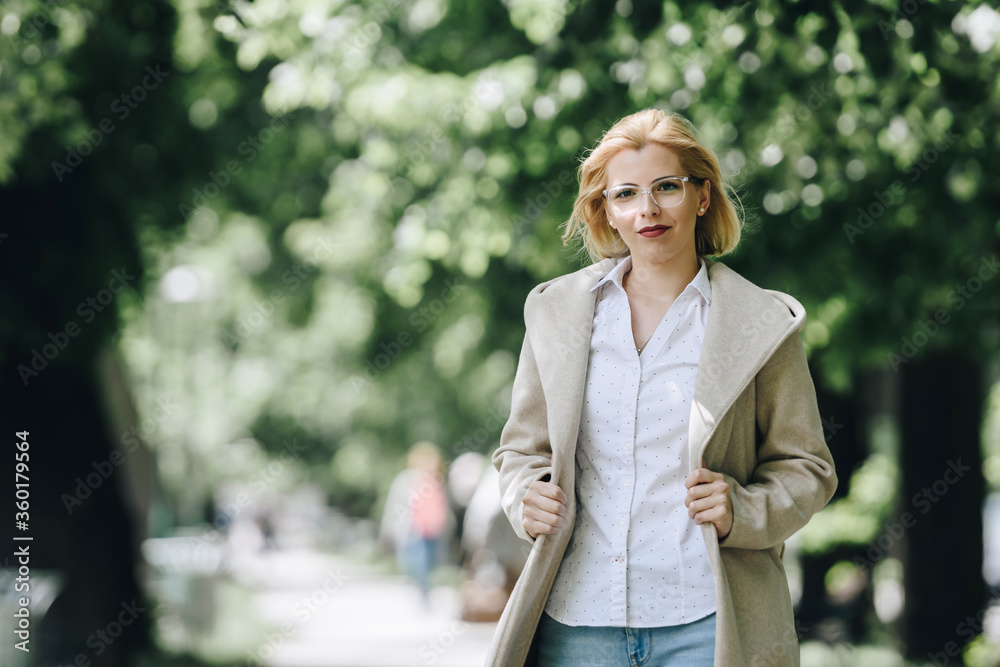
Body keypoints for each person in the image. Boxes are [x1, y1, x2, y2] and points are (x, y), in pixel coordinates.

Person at [486, 108, 837, 667]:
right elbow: (520, 452)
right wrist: (525, 497)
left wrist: (739, 510)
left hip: (707, 621)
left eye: (666, 187)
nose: (647, 209)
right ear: (607, 211)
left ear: (701, 197)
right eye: (625, 194)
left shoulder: (761, 323)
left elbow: (808, 467)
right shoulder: (557, 315)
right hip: (577, 620)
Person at [380, 441, 450, 606]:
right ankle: (423, 592)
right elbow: (395, 505)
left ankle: (426, 589)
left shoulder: (436, 481)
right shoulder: (407, 479)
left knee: (431, 563)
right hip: (414, 531)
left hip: (434, 530)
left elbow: (442, 507)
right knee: (418, 563)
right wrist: (390, 528)